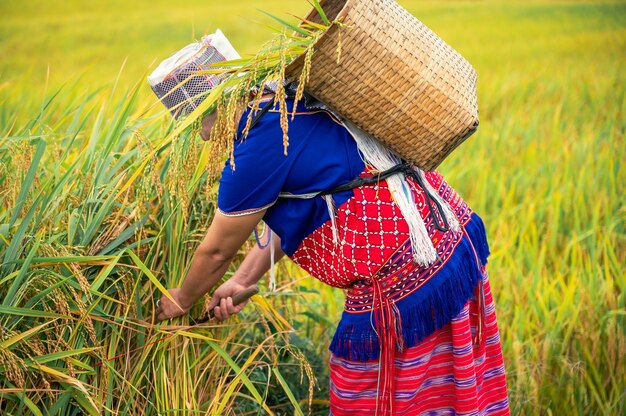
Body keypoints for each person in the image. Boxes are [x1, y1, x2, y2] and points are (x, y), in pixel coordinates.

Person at [154, 88, 511, 414]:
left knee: (367, 397)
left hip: (407, 277)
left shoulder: (255, 146)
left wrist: (182, 299)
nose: (199, 136)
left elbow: (216, 251)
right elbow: (315, 202)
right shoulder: (292, 102)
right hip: (450, 235)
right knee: (450, 388)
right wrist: (243, 279)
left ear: (206, 111)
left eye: (191, 121)